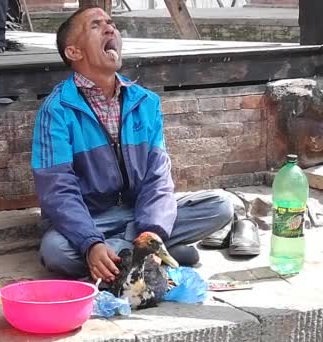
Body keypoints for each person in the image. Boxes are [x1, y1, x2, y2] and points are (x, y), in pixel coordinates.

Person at [30, 6, 236, 283]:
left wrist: (153, 230)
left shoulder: (145, 102)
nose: (110, 29)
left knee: (220, 206)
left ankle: (132, 252)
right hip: (93, 219)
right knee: (56, 251)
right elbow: (57, 190)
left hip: (138, 212)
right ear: (74, 52)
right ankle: (148, 253)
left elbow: (158, 178)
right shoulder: (57, 110)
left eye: (111, 23)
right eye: (95, 25)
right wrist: (91, 242)